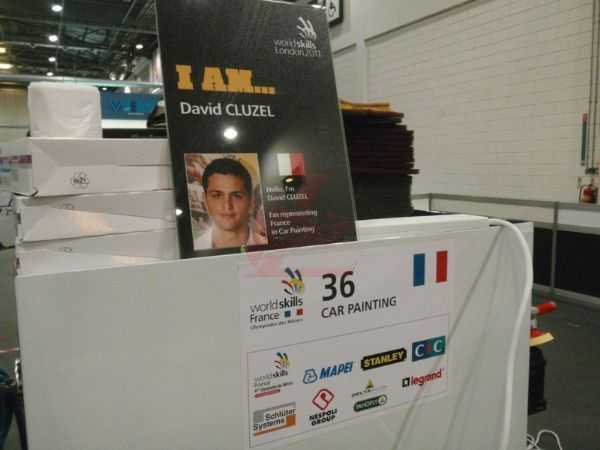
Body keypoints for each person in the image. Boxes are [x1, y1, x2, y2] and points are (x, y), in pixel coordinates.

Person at [193, 157, 268, 250]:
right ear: (205, 201)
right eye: (217, 195)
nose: (227, 206)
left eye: (236, 195)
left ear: (251, 201)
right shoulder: (196, 246)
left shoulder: (270, 249)